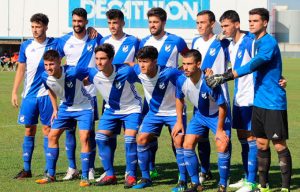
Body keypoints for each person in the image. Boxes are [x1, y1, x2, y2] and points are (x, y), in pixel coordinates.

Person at [206, 8, 292, 192]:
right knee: (249, 139)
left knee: (272, 143)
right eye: (250, 20)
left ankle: (270, 185)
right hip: (246, 97)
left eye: (227, 25)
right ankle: (253, 180)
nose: (251, 23)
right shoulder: (233, 44)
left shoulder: (252, 42)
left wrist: (226, 76)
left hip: (261, 98)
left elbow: (256, 63)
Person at [139, 7, 189, 178]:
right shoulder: (144, 41)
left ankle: (185, 176)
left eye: (155, 22)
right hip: (152, 101)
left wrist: (180, 72)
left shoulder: (176, 41)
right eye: (150, 22)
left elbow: (188, 59)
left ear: (164, 22)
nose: (152, 25)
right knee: (148, 138)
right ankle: (150, 171)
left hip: (173, 100)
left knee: (178, 140)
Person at [173, 49, 231, 192]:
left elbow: (223, 106)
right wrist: (179, 121)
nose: (185, 67)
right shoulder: (181, 79)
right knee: (187, 144)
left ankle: (223, 184)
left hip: (218, 116)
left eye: (189, 64)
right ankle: (195, 184)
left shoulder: (209, 82)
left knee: (222, 145)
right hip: (199, 116)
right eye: (184, 64)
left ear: (198, 64)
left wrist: (219, 130)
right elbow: (179, 99)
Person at [130, 46, 186, 190]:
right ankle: (145, 177)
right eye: (140, 61)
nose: (142, 65)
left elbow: (187, 78)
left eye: (145, 61)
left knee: (179, 141)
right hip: (154, 113)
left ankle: (183, 180)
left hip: (174, 112)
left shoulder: (169, 73)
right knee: (141, 139)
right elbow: (130, 65)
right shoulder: (138, 70)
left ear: (155, 61)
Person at [35, 49, 93, 187]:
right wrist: (55, 109)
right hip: (65, 108)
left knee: (84, 138)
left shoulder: (73, 71)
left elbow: (91, 73)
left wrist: (86, 81)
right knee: (52, 136)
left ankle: (85, 177)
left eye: (52, 64)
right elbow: (49, 89)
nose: (49, 68)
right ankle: (50, 175)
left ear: (59, 62)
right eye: (46, 65)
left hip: (84, 107)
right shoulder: (44, 76)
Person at [56, 7, 102, 180]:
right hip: (68, 93)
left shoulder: (95, 38)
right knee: (69, 131)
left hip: (88, 92)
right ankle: (72, 168)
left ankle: (90, 168)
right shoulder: (64, 41)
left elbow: (107, 54)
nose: (77, 24)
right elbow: (55, 61)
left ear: (86, 22)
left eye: (80, 21)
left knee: (88, 132)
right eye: (74, 21)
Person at [87, 43, 142, 188]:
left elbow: (146, 78)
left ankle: (131, 175)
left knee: (130, 139)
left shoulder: (126, 71)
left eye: (103, 58)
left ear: (111, 59)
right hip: (111, 110)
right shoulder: (93, 73)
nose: (99, 62)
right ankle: (110, 174)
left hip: (132, 108)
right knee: (100, 138)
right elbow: (77, 76)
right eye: (97, 58)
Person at [11, 13, 57, 179]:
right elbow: (21, 69)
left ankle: (48, 169)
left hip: (46, 95)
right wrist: (14, 91)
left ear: (45, 27)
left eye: (38, 26)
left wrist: (91, 29)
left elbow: (76, 38)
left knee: (47, 130)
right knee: (29, 129)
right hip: (29, 96)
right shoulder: (26, 46)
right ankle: (26, 169)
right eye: (33, 27)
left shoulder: (54, 44)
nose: (35, 30)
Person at [97, 9, 140, 175]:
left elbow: (142, 59)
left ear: (122, 22)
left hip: (128, 93)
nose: (112, 26)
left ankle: (144, 168)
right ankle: (111, 170)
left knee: (131, 136)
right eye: (109, 23)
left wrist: (133, 66)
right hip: (110, 95)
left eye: (115, 22)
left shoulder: (133, 41)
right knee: (109, 136)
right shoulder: (103, 40)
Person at [191, 10, 231, 183]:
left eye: (203, 22)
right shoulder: (195, 41)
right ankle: (205, 170)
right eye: (197, 22)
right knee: (201, 137)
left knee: (223, 138)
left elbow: (237, 63)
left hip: (220, 98)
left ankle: (226, 177)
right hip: (200, 98)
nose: (199, 26)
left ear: (212, 24)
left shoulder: (223, 43)